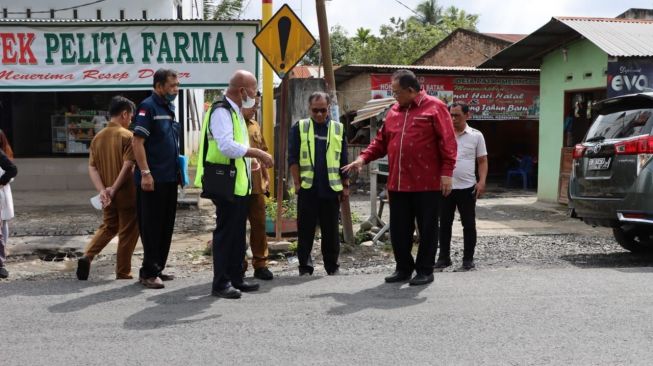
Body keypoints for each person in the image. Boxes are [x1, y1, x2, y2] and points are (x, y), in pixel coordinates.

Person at [343, 69, 457, 286]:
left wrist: (447, 174)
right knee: (399, 230)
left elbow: (448, 143)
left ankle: (425, 270)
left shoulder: (436, 107)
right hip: (398, 183)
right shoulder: (394, 111)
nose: (394, 96)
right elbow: (380, 142)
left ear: (411, 90)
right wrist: (362, 159)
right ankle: (403, 268)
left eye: (396, 92)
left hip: (427, 183)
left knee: (428, 229)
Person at [195, 70, 273, 299]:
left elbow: (238, 147)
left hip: (238, 184)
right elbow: (226, 146)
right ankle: (220, 283)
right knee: (226, 235)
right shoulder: (221, 111)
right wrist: (256, 152)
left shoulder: (236, 112)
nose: (255, 95)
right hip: (224, 183)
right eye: (254, 90)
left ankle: (236, 278)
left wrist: (251, 162)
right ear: (242, 91)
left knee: (238, 234)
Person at [76, 96, 139, 281]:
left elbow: (92, 167)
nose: (131, 120)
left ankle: (87, 255)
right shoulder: (128, 136)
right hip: (126, 193)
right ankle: (123, 272)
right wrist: (114, 188)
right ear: (124, 114)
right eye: (131, 116)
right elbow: (128, 166)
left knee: (109, 226)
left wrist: (103, 190)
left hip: (107, 196)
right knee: (128, 231)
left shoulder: (97, 137)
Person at [289, 91, 349, 276]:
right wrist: (297, 183)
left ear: (328, 108)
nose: (319, 114)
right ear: (309, 109)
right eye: (315, 111)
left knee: (331, 231)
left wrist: (345, 186)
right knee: (306, 230)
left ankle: (332, 266)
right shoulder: (300, 127)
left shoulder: (338, 129)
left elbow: (344, 160)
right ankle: (305, 267)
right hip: (308, 188)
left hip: (331, 188)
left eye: (323, 110)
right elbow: (293, 158)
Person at [132, 69, 181, 289]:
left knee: (165, 225)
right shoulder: (147, 107)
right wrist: (145, 173)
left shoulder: (168, 108)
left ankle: (158, 267)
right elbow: (137, 142)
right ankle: (148, 273)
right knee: (151, 227)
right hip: (152, 179)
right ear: (159, 86)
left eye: (177, 85)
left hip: (169, 177)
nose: (176, 90)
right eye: (172, 86)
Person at [436, 103, 488, 271]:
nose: (453, 119)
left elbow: (482, 160)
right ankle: (444, 258)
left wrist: (482, 181)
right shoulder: (442, 135)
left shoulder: (476, 136)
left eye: (457, 115)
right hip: (445, 187)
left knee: (469, 224)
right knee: (444, 224)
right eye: (451, 115)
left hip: (467, 188)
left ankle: (468, 259)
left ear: (467, 115)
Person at [241, 93, 274, 280]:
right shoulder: (232, 123)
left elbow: (262, 154)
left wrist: (266, 177)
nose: (255, 108)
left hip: (256, 185)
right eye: (253, 104)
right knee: (238, 227)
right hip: (237, 185)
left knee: (259, 225)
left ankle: (261, 264)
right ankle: (239, 264)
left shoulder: (255, 125)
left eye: (258, 105)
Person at [0, 132, 16, 279]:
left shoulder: (2, 155)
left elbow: (12, 170)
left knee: (2, 226)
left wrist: (1, 182)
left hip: (2, 195)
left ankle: (1, 261)